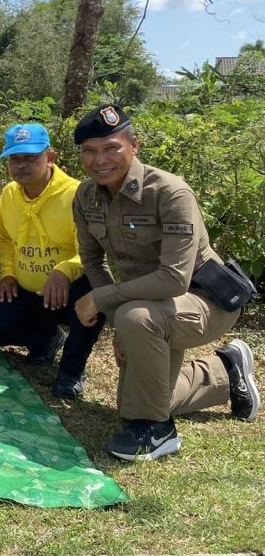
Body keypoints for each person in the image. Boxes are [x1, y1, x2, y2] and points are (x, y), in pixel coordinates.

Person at [72, 104, 259, 461]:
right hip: (144, 307)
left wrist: (103, 300)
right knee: (135, 399)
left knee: (136, 327)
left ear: (134, 146)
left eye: (111, 148)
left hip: (205, 301)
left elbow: (174, 279)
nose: (100, 160)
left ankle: (159, 431)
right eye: (89, 151)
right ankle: (226, 370)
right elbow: (92, 260)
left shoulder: (170, 193)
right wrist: (116, 321)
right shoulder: (85, 197)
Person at [0, 123, 103, 398]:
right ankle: (46, 340)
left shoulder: (77, 194)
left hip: (69, 290)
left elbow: (91, 252)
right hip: (29, 290)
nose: (22, 165)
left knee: (96, 296)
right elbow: (6, 238)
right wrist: (8, 273)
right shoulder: (10, 193)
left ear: (51, 158)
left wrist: (64, 272)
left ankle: (72, 371)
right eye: (15, 158)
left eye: (31, 158)